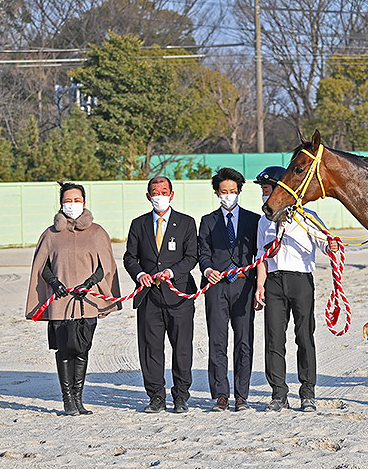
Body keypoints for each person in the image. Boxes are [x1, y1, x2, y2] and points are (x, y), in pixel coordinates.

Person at [26, 182, 121, 416]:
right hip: (60, 302)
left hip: (87, 302)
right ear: (61, 203)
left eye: (76, 200)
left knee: (82, 349)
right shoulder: (50, 234)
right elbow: (42, 266)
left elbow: (105, 266)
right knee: (65, 350)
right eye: (68, 200)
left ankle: (78, 397)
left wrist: (89, 284)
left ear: (84, 202)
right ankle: (67, 399)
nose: (72, 204)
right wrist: (55, 283)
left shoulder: (98, 232)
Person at [254, 167, 339, 412]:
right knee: (274, 339)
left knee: (304, 336)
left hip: (301, 281)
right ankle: (278, 393)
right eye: (263, 190)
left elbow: (324, 244)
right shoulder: (264, 220)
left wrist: (331, 245)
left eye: (267, 189)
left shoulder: (308, 217)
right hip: (274, 283)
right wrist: (260, 286)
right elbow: (261, 256)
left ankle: (308, 392)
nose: (264, 194)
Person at [124, 176, 198, 414]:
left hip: (179, 297)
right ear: (148, 197)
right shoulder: (138, 224)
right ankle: (156, 396)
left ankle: (181, 396)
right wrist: (140, 274)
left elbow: (191, 257)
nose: (159, 196)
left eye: (164, 191)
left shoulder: (186, 223)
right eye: (155, 192)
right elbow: (129, 258)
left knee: (182, 348)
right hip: (149, 297)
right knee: (150, 349)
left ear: (172, 194)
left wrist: (172, 272)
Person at [198, 168, 260, 412]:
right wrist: (207, 270)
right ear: (216, 193)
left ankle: (241, 395)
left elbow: (261, 253)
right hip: (217, 287)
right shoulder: (208, 221)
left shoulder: (253, 220)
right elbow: (202, 252)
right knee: (218, 341)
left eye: (233, 191)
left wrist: (258, 284)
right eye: (224, 192)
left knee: (244, 341)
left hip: (244, 285)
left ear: (239, 192)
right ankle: (221, 395)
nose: (228, 195)